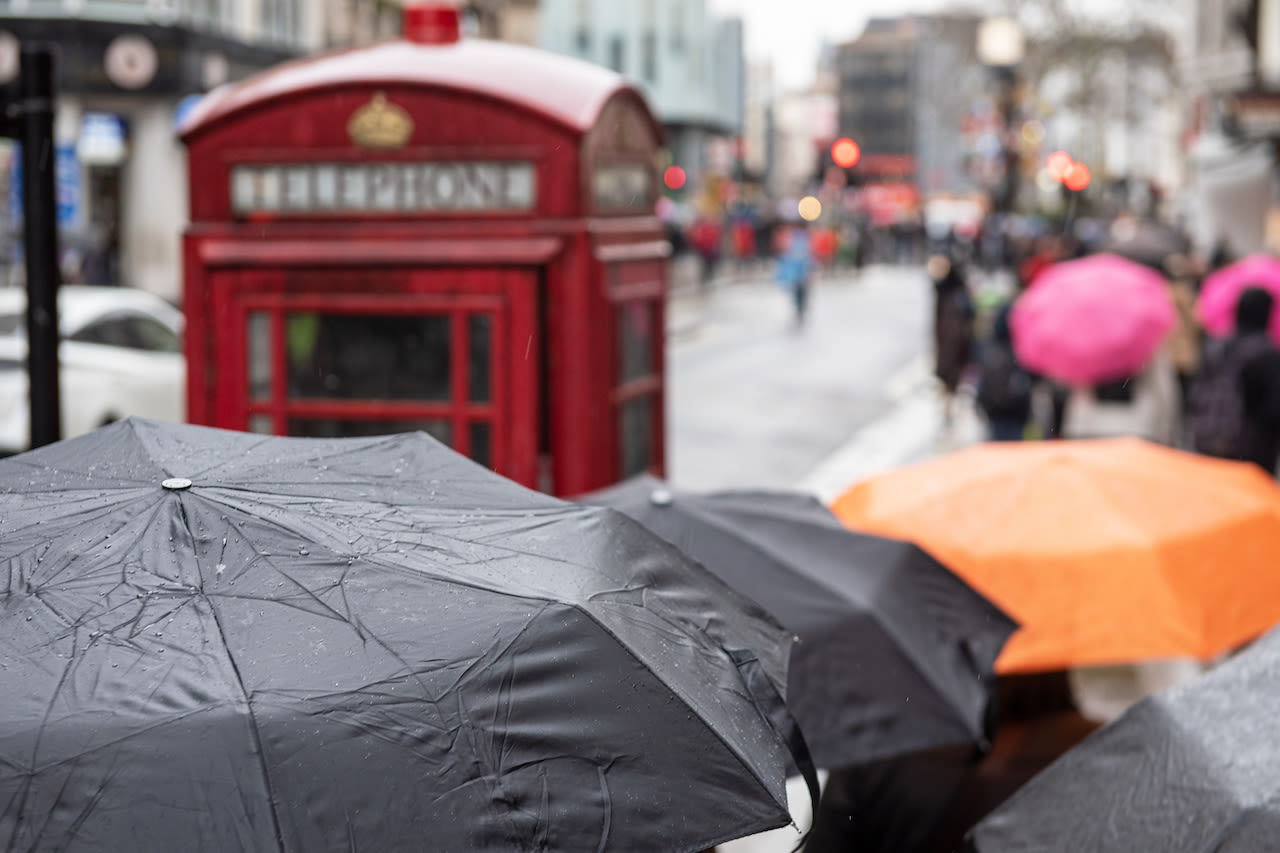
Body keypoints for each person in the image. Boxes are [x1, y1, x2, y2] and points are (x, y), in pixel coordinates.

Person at [1189, 287, 1280, 474]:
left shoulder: (1214, 345)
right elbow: (1272, 409)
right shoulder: (1266, 353)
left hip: (1208, 440)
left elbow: (1196, 390)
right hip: (1251, 450)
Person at [1061, 348, 1181, 446]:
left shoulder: (1083, 337)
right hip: (1138, 428)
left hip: (1087, 426)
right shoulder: (1147, 338)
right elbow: (1163, 389)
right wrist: (1166, 430)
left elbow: (1072, 380)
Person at [929, 254, 975, 427]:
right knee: (947, 381)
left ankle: (952, 411)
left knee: (954, 380)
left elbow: (964, 318)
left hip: (955, 344)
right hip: (945, 343)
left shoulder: (956, 292)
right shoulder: (941, 289)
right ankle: (948, 411)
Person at [976, 306, 1033, 441]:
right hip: (1013, 416)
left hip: (996, 416)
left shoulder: (989, 351)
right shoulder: (1018, 352)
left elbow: (982, 387)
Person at [775, 221, 816, 327]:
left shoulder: (791, 238)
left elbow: (785, 254)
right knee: (802, 293)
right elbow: (811, 254)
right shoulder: (804, 238)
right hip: (802, 272)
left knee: (799, 293)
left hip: (798, 273)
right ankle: (800, 310)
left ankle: (799, 310)